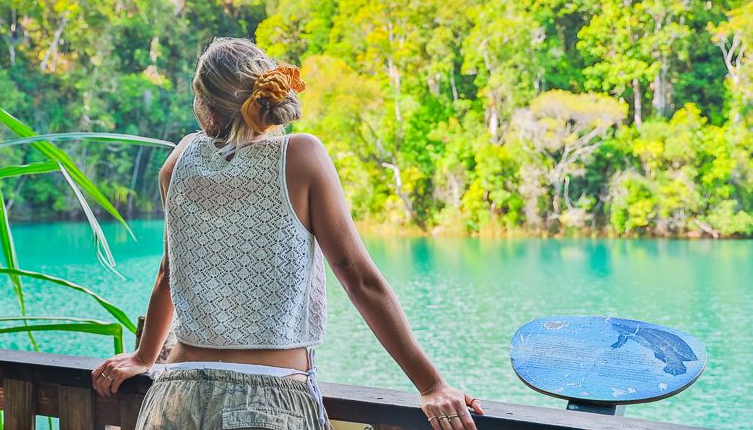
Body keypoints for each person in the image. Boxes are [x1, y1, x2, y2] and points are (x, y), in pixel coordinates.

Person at [91, 37, 484, 430]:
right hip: (269, 399)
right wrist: (431, 384)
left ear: (205, 106)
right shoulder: (300, 155)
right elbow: (357, 276)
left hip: (175, 396)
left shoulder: (179, 160)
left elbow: (168, 274)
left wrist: (145, 357)